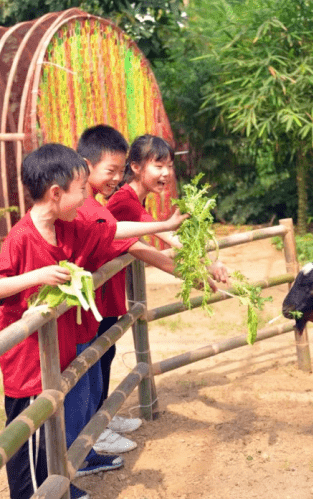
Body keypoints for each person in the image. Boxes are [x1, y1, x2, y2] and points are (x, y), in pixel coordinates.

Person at [81, 130, 228, 455]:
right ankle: (94, 428)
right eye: (157, 165)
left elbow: (166, 236)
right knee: (94, 361)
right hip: (96, 298)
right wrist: (196, 275)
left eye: (168, 165)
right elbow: (147, 248)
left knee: (104, 356)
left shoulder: (129, 200)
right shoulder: (122, 201)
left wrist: (207, 262)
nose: (165, 173)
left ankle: (101, 419)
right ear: (137, 166)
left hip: (107, 294)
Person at [0, 143, 101, 499]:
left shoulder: (66, 228)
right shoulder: (22, 236)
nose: (84, 198)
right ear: (55, 193)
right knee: (27, 438)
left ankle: (57, 487)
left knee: (54, 428)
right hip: (28, 362)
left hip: (53, 354)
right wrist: (38, 276)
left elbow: (108, 230)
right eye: (81, 190)